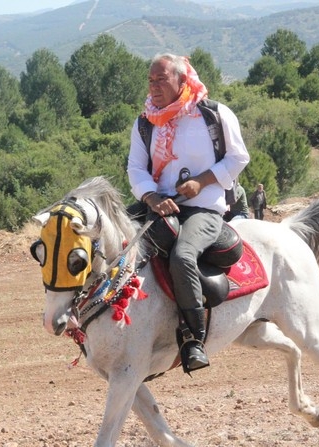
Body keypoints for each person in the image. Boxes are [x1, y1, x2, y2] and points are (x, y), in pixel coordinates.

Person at [127, 53, 249, 372]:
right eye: (150, 80)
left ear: (182, 81)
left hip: (204, 209)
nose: (153, 86)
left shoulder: (213, 114)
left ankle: (193, 339)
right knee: (112, 240)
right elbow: (136, 169)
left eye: (161, 79)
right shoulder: (145, 121)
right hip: (160, 205)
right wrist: (152, 197)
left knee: (182, 256)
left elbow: (238, 158)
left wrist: (202, 181)